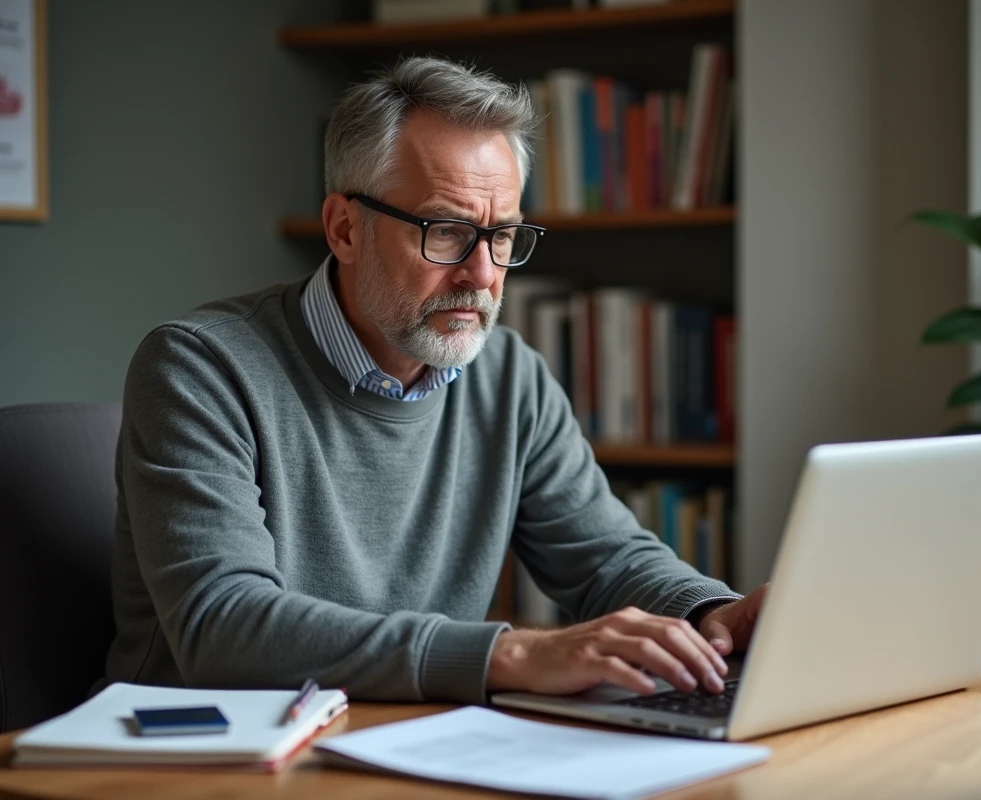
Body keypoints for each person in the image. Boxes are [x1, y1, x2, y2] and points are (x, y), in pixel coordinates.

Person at [105, 56, 766, 705]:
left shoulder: (510, 378)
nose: (482, 274)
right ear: (344, 229)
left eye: (501, 236)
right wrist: (511, 653)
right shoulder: (200, 369)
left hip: (399, 745)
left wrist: (713, 612)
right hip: (199, 757)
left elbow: (607, 559)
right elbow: (223, 628)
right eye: (446, 231)